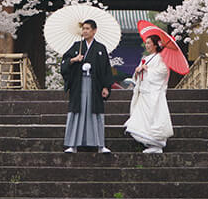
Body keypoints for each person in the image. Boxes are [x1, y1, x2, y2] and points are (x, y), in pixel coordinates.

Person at [60, 19, 112, 153]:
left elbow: (106, 69)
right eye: (83, 28)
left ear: (94, 31)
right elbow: (64, 63)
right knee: (78, 111)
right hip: (79, 84)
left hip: (95, 86)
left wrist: (106, 87)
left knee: (94, 112)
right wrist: (74, 60)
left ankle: (100, 145)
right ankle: (73, 144)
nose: (85, 31)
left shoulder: (101, 48)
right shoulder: (77, 46)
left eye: (88, 28)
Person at [124, 36, 174, 153]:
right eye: (145, 43)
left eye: (149, 43)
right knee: (141, 119)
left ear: (155, 45)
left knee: (153, 118)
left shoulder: (160, 58)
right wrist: (137, 71)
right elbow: (138, 77)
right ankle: (149, 143)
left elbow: (163, 72)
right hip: (143, 91)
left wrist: (148, 69)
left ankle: (156, 143)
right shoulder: (146, 58)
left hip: (153, 93)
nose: (147, 45)